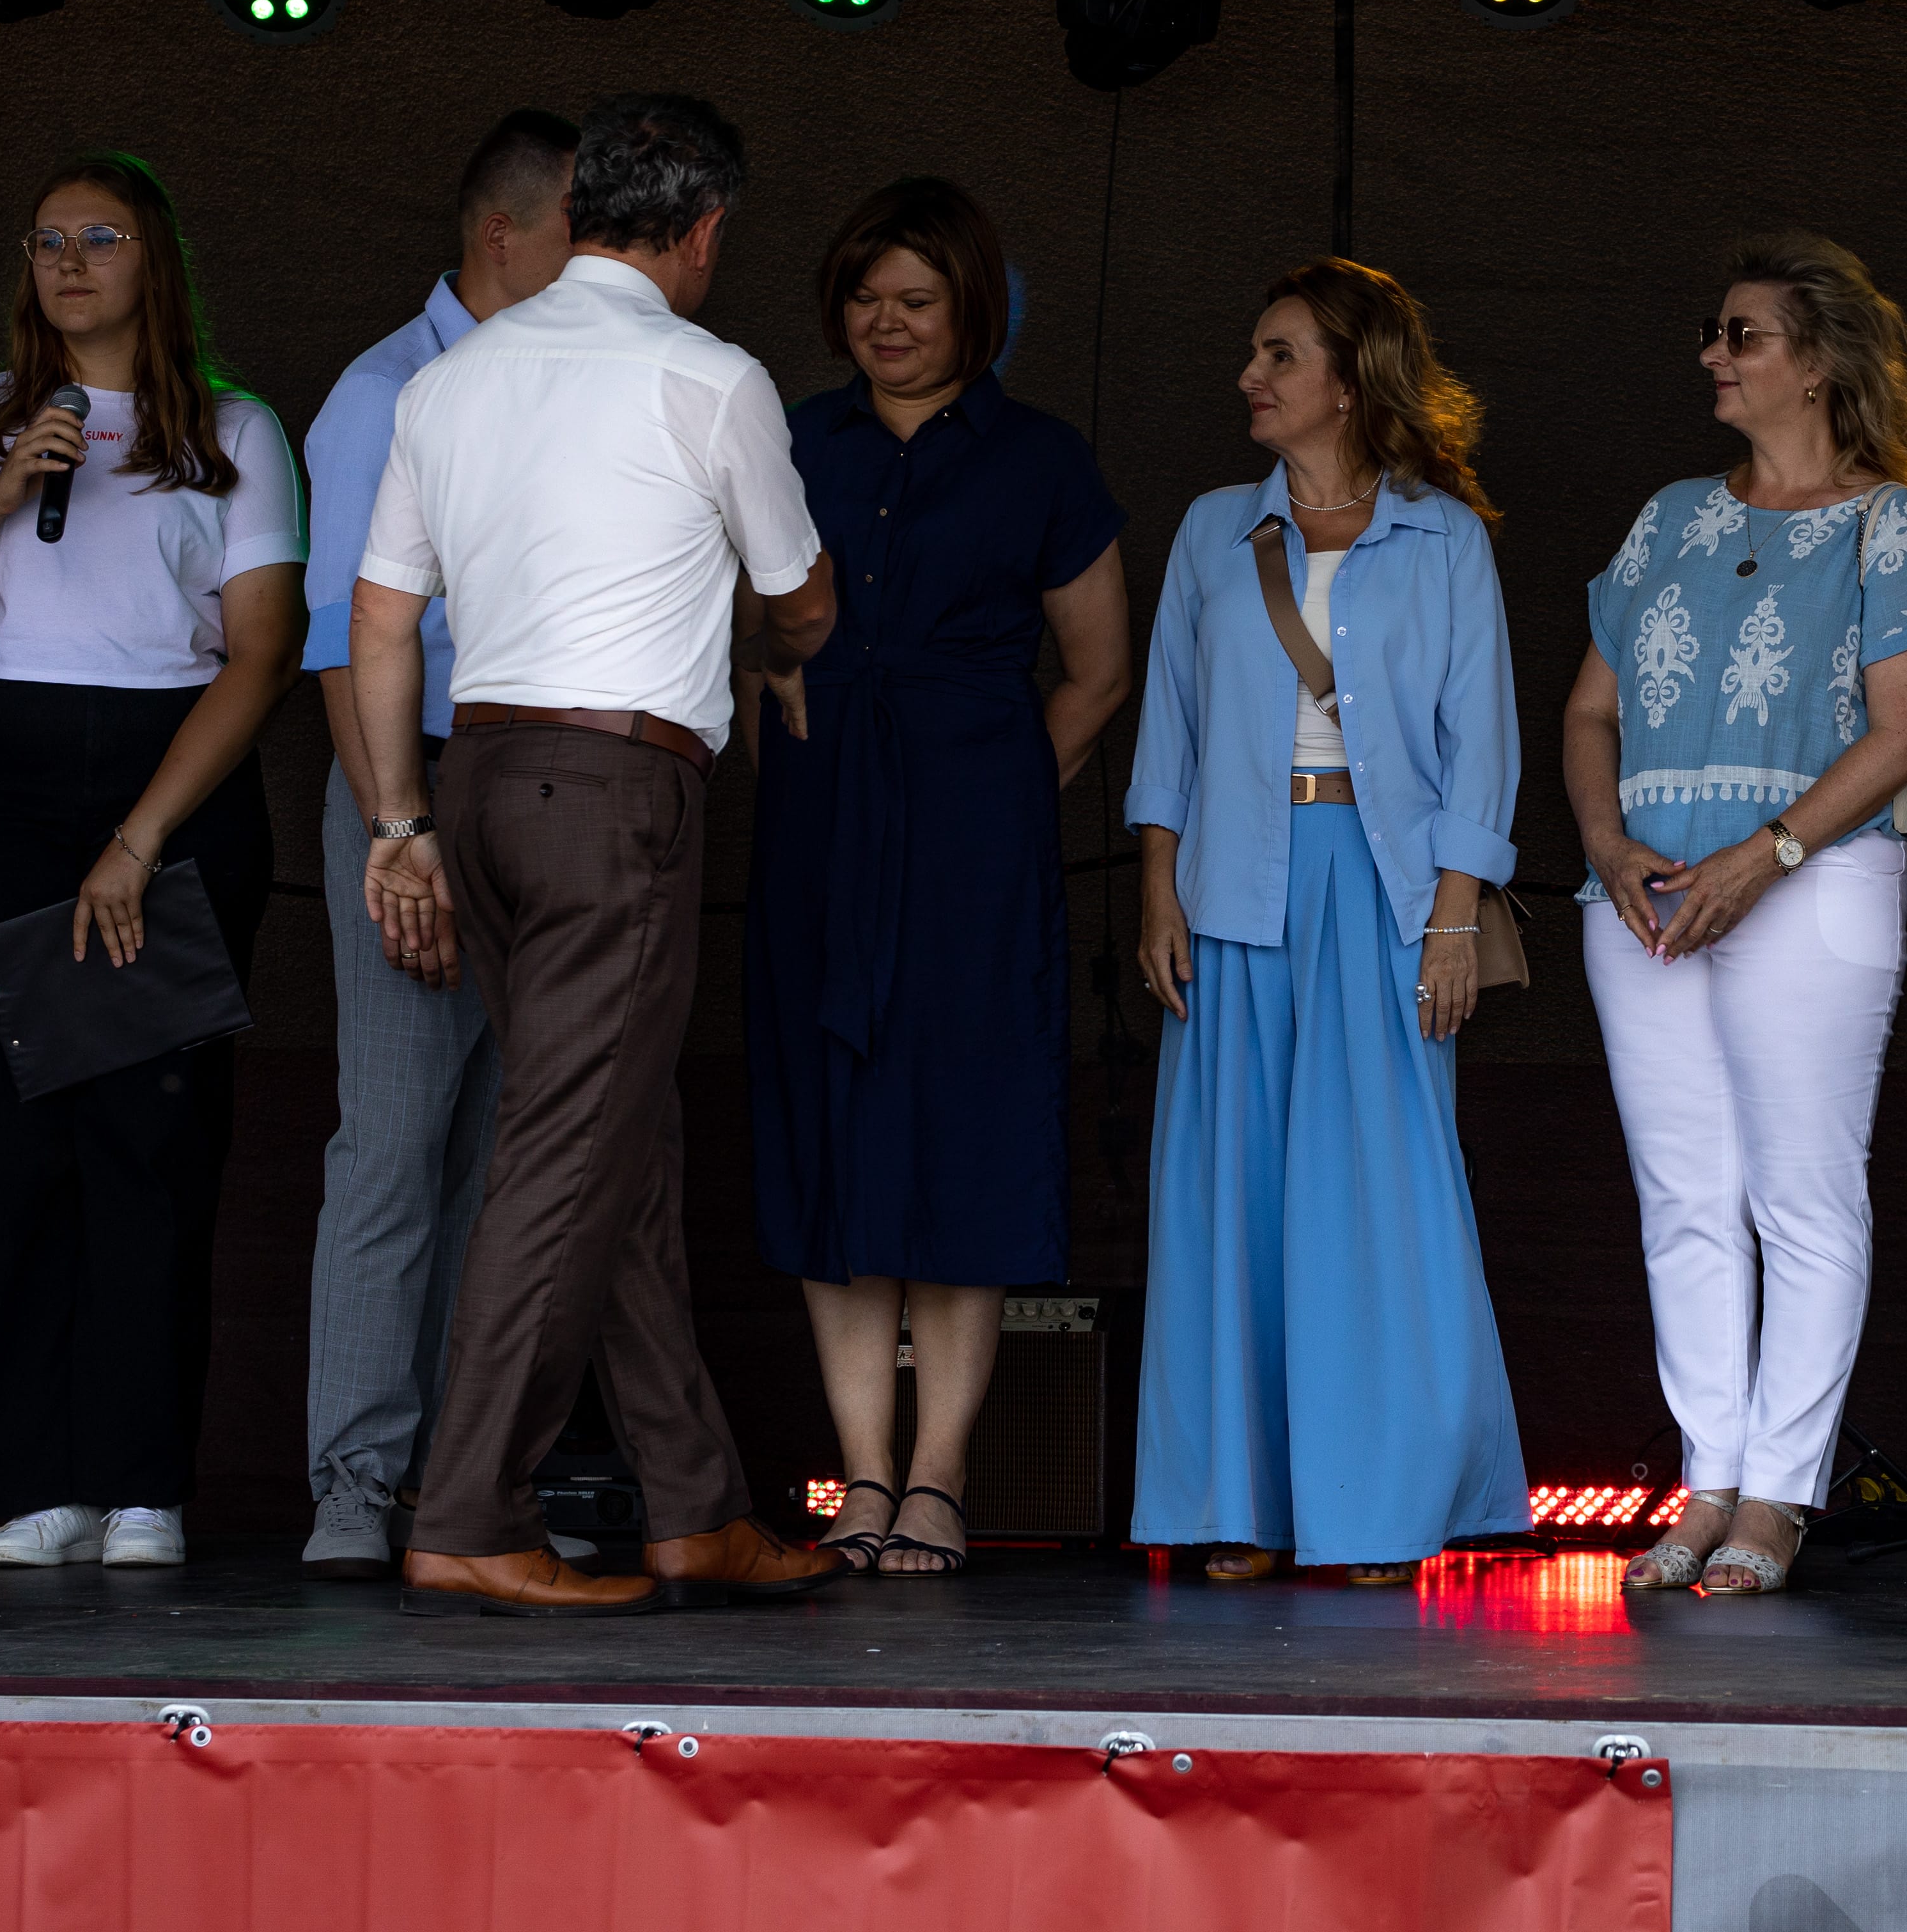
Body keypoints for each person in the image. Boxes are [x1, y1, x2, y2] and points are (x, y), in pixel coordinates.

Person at [352, 92, 842, 1617]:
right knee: (569, 1148)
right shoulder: (713, 377)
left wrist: (400, 821)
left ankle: (693, 1507)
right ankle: (467, 1511)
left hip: (477, 776)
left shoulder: (450, 380)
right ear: (703, 231)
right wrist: (773, 632)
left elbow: (379, 618)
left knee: (618, 1142)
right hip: (614, 793)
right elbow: (805, 596)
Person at [0, 155, 302, 1573]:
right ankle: (31, 1479)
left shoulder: (233, 431)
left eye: (99, 236)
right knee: (9, 1145)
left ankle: (139, 1482)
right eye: (46, 238)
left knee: (149, 1142)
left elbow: (260, 658)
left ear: (153, 258)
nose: (67, 260)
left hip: (160, 783)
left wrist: (137, 838)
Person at [1563, 237, 1907, 1598]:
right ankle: (1709, 1477)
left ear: (1822, 361)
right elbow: (1589, 710)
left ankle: (1780, 1491)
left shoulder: (1888, 522)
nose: (1713, 355)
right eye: (1715, 330)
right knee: (1683, 1197)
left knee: (1802, 1193)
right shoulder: (1669, 515)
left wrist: (1767, 853)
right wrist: (1606, 843)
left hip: (1811, 881)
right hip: (1644, 891)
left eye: (1743, 335)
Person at [746, 178, 1132, 1582]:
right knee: (835, 1134)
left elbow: (1099, 669)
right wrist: (772, 687)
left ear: (973, 307)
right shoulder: (793, 440)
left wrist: (1003, 788)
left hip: (976, 841)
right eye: (865, 298)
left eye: (915, 299)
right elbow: (735, 615)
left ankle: (941, 1473)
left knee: (965, 1132)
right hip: (819, 829)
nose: (887, 322)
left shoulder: (1041, 459)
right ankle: (862, 1473)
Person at [1126, 260, 1529, 1585]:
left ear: (1351, 379)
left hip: (1386, 883)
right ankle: (1243, 1505)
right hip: (1233, 879)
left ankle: (1379, 1511)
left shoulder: (1445, 537)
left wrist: (1455, 919)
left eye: (1280, 354)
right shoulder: (1212, 529)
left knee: (1379, 1194)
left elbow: (1483, 741)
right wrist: (1158, 887)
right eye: (1256, 352)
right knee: (1232, 1190)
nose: (1251, 376)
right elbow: (1171, 727)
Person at [289, 109, 575, 1584]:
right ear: (502, 234)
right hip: (423, 774)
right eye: (582, 232)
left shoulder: (560, 387)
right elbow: (346, 638)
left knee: (504, 1154)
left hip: (537, 781)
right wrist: (398, 823)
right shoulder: (383, 391)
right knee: (397, 1140)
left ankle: (466, 1488)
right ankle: (354, 1482)